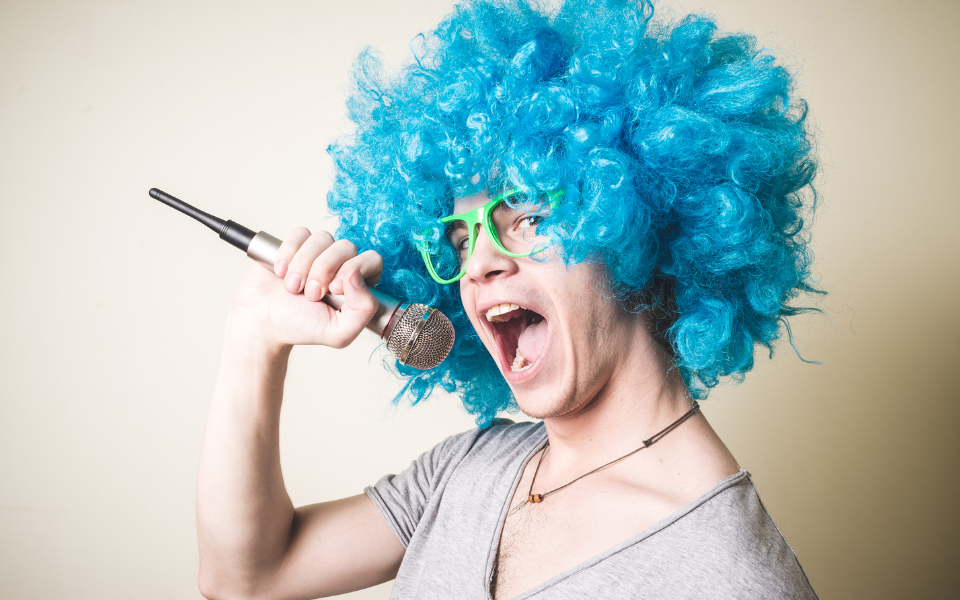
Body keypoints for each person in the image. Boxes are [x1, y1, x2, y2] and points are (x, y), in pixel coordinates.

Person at [196, 0, 820, 598]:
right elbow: (247, 578)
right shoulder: (471, 468)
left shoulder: (726, 578)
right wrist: (253, 334)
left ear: (639, 230)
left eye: (527, 217)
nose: (479, 264)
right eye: (461, 237)